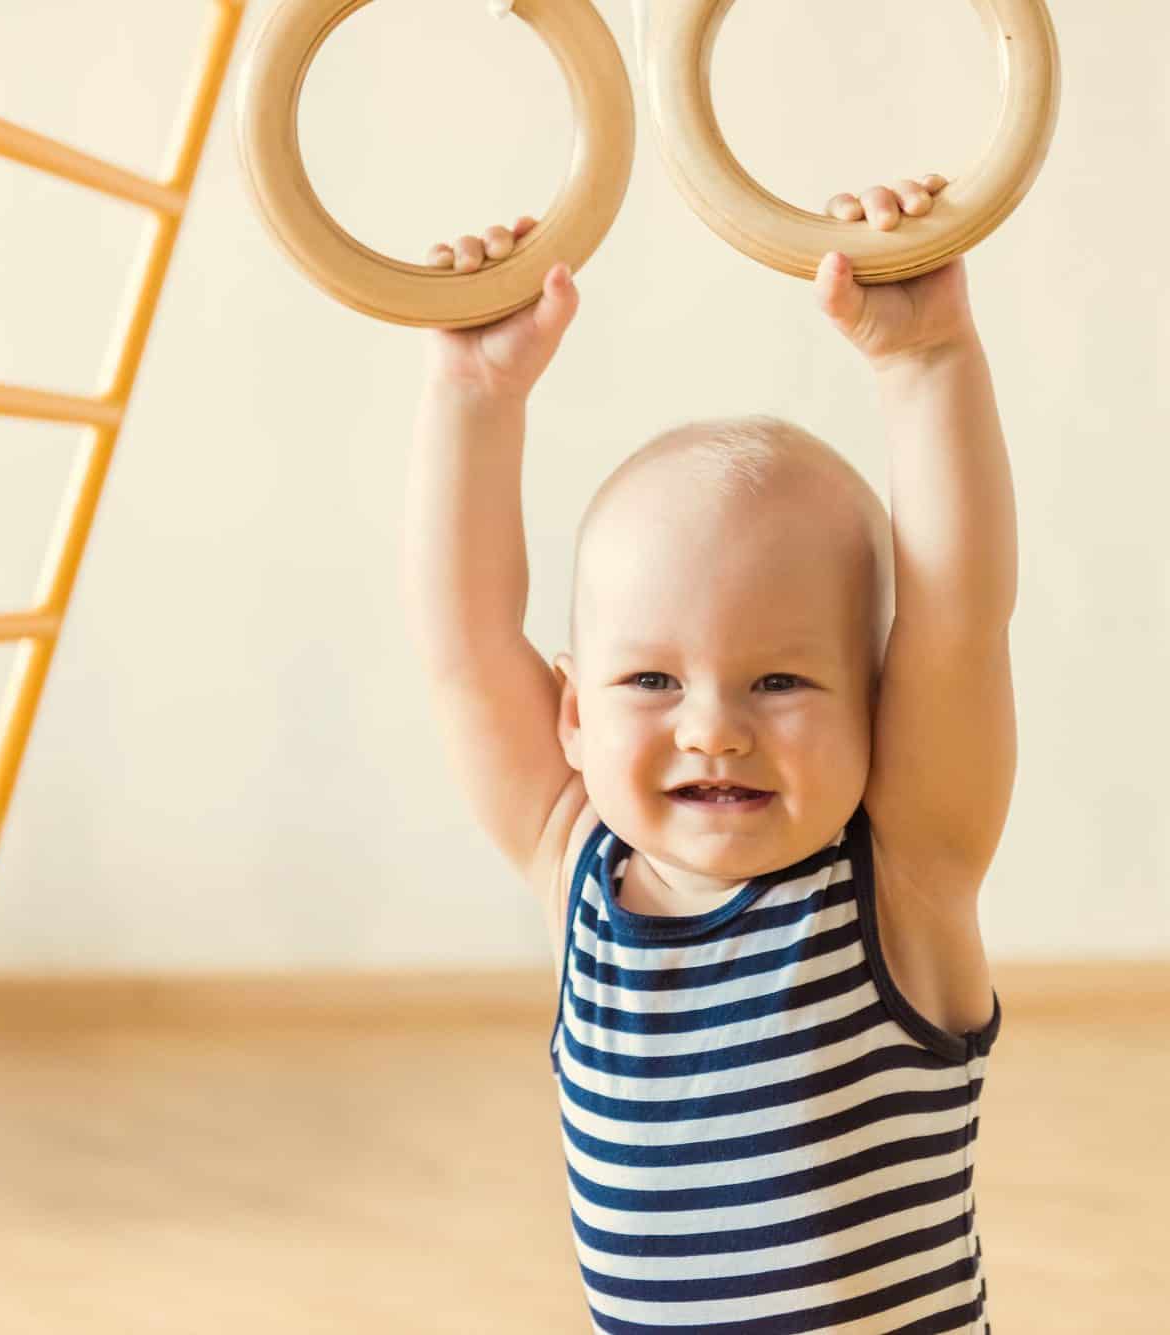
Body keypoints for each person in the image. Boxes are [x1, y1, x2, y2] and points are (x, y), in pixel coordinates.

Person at [403, 174, 1013, 1332]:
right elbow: (461, 643)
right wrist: (473, 396)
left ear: (878, 709)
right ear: (571, 715)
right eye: (649, 681)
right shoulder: (574, 865)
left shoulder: (901, 884)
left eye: (778, 680)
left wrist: (927, 362)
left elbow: (958, 617)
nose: (711, 727)